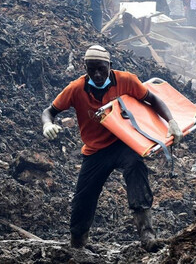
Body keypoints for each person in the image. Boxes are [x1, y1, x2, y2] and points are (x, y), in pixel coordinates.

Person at [41, 45, 184, 251]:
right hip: (95, 150)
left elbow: (152, 99)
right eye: (91, 69)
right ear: (85, 67)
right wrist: (47, 124)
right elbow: (50, 111)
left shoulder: (126, 80)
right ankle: (78, 243)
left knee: (136, 167)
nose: (97, 74)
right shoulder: (76, 89)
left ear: (110, 66)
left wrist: (171, 121)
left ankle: (147, 235)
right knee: (84, 197)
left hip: (122, 143)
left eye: (101, 68)